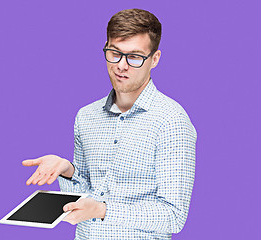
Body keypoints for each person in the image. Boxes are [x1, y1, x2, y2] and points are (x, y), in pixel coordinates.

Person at [22, 8, 197, 240]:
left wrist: (104, 210)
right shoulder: (86, 116)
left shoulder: (171, 121)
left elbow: (173, 215)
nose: (121, 66)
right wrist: (67, 171)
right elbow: (84, 196)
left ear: (154, 59)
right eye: (115, 53)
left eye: (134, 57)